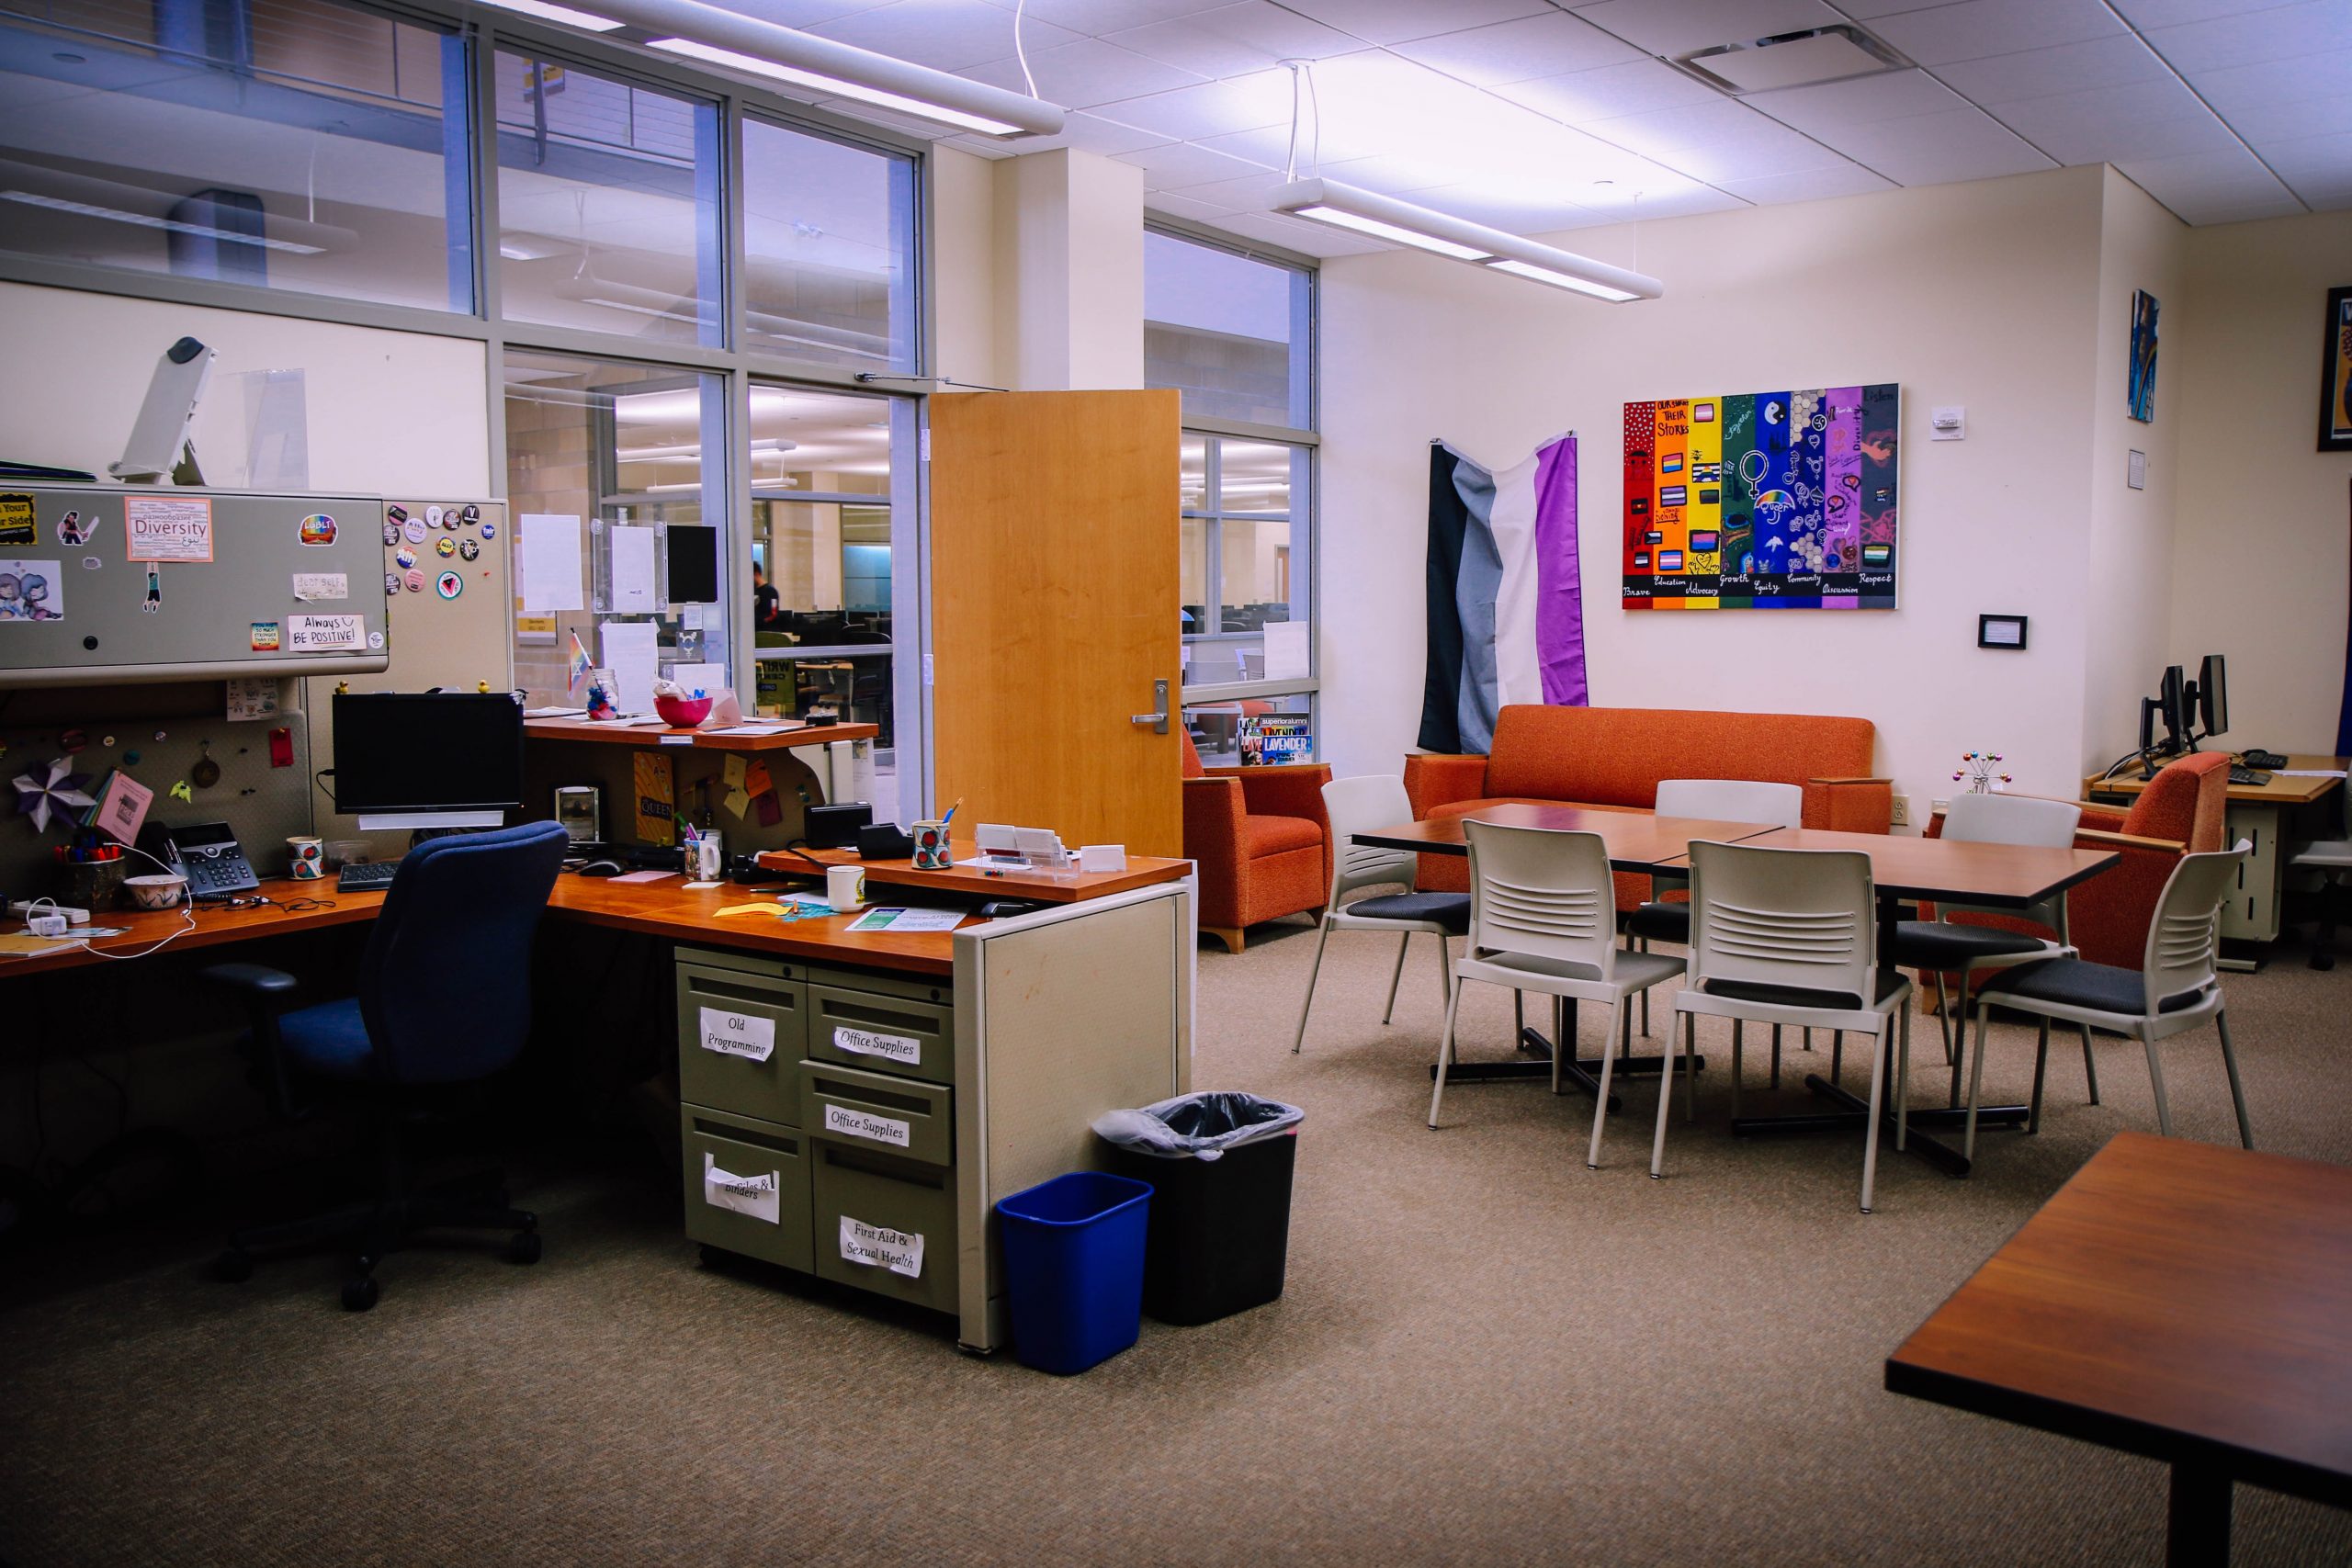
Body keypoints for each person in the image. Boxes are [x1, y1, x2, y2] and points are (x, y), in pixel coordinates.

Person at [752, 561, 779, 627]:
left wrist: (759, 621)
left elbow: (773, 614)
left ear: (756, 574)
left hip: (765, 630)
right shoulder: (751, 591)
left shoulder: (771, 591)